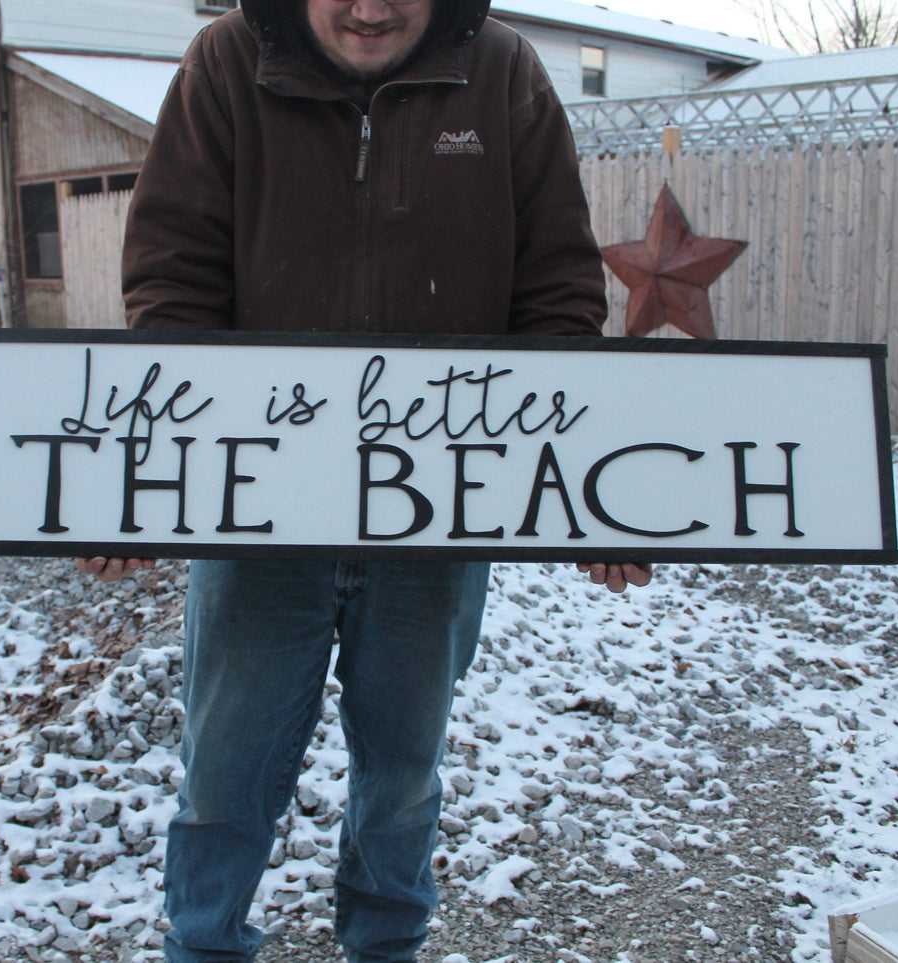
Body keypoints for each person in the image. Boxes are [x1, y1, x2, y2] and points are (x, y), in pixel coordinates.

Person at [77, 0, 651, 959]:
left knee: (402, 777)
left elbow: (555, 287)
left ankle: (386, 947)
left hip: (438, 513)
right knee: (222, 774)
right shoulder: (225, 63)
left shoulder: (503, 70)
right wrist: (159, 474)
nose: (371, 9)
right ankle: (203, 944)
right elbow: (173, 280)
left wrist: (575, 491)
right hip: (257, 514)